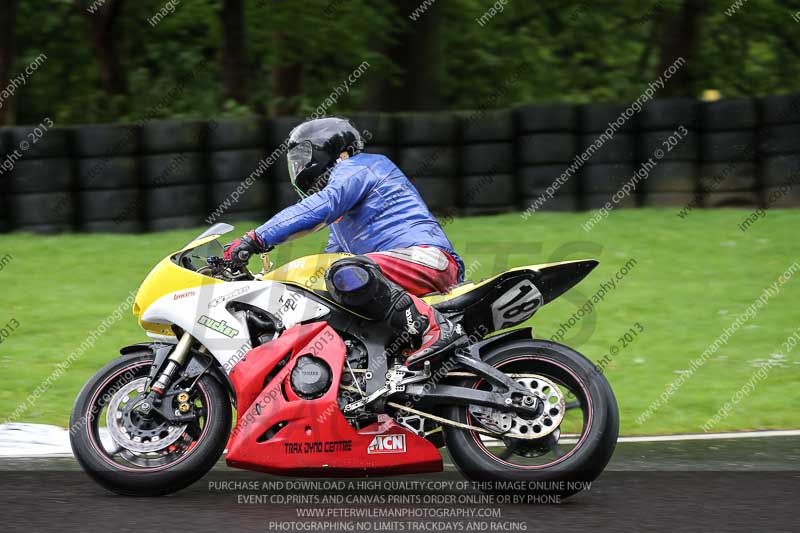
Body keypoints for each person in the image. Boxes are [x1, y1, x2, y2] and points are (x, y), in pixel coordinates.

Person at [223, 117, 465, 367]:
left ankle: (436, 327)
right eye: (295, 161)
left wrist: (253, 239)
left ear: (339, 152)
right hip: (401, 267)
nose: (299, 166)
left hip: (424, 258)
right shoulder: (342, 219)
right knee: (326, 286)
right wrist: (268, 283)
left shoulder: (360, 166)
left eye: (304, 157)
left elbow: (321, 206)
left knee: (345, 272)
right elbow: (323, 264)